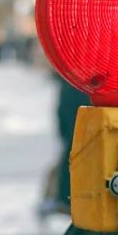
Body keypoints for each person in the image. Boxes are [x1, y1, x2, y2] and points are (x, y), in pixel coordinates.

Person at [39, 70, 91, 219]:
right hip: (77, 123)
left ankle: (61, 199)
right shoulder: (77, 78)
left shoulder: (72, 76)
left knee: (68, 157)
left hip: (76, 122)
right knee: (70, 158)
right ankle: (63, 199)